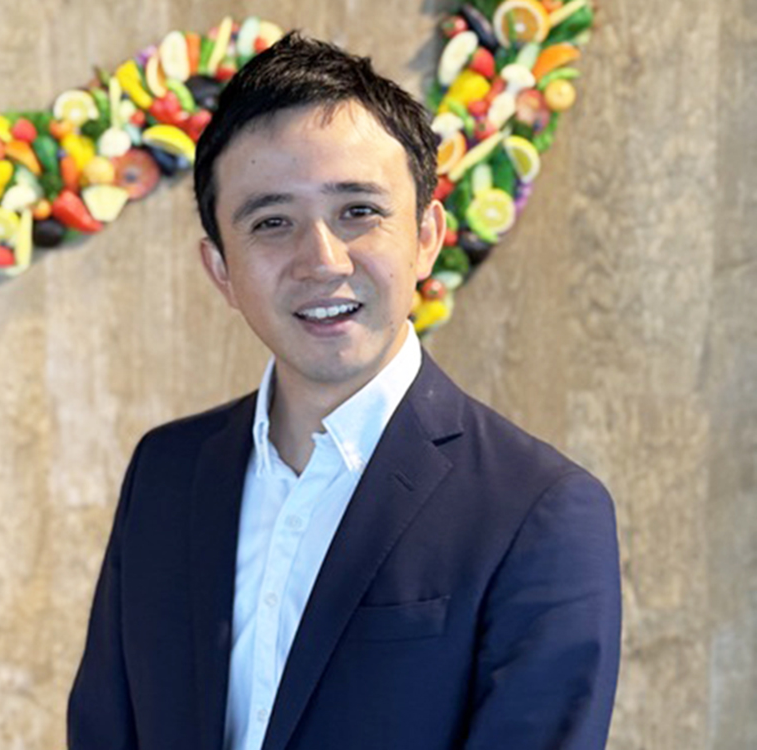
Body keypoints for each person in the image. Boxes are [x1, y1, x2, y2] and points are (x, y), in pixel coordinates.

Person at [67, 31, 621, 750]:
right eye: (272, 222)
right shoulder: (166, 472)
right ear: (221, 270)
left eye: (358, 211)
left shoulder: (540, 512)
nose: (321, 261)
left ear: (426, 236)